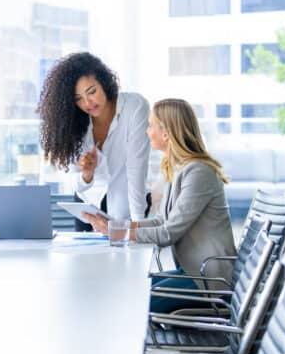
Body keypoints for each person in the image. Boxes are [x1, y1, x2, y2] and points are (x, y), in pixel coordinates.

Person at [84, 98, 237, 313]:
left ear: (166, 133)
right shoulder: (181, 169)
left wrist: (117, 233)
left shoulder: (198, 172)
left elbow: (168, 233)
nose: (147, 131)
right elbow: (162, 221)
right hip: (193, 272)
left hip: (209, 280)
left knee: (133, 304)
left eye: (151, 125)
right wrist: (117, 225)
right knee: (130, 290)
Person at [37, 52, 151, 230]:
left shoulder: (134, 107)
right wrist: (87, 175)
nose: (87, 102)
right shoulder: (74, 123)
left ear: (104, 83)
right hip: (88, 210)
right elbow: (74, 182)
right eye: (78, 99)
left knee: (130, 256)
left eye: (92, 92)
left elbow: (136, 169)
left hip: (129, 208)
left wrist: (138, 227)